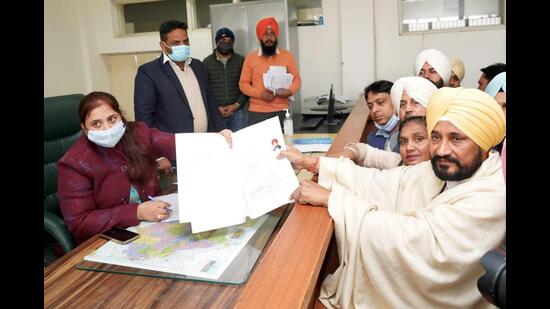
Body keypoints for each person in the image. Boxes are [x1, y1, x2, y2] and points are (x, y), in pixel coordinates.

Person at [280, 87, 506, 308]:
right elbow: (385, 182)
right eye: (435, 137)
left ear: (484, 143)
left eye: (456, 139)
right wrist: (314, 163)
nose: (442, 150)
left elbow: (418, 240)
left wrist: (333, 199)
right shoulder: (446, 168)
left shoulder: (491, 198)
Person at [57, 91, 232, 244]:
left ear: (121, 117)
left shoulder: (138, 132)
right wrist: (137, 212)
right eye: (96, 124)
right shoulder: (74, 163)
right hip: (107, 238)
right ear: (84, 128)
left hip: (154, 225)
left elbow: (173, 143)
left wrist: (215, 140)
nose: (107, 129)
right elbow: (79, 222)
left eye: (112, 119)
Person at [134, 20, 225, 134]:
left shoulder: (198, 66)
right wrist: (157, 145)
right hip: (173, 145)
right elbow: (144, 117)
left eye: (185, 41)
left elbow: (210, 99)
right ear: (163, 45)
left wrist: (221, 129)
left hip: (206, 138)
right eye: (176, 43)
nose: (183, 46)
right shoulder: (149, 73)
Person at [239, 16, 301, 127]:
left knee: (283, 144)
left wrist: (290, 91)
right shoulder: (250, 57)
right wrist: (260, 94)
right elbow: (243, 84)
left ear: (276, 36)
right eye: (265, 34)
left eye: (272, 34)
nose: (269, 38)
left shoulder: (287, 56)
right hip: (257, 113)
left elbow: (296, 79)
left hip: (282, 111)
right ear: (260, 37)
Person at [334, 116, 430, 169]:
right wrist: (348, 153)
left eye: (419, 139)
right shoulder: (398, 162)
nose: (409, 148)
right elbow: (365, 152)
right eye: (403, 142)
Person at [202, 27, 248, 132]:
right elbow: (204, 89)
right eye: (223, 40)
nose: (226, 43)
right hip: (216, 113)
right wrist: (215, 107)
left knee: (238, 143)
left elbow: (247, 86)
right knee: (219, 144)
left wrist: (237, 105)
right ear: (217, 42)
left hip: (237, 113)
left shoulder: (241, 61)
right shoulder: (207, 62)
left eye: (229, 41)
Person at [363, 80, 400, 153]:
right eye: (370, 106)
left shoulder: (408, 134)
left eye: (380, 102)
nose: (374, 110)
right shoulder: (372, 138)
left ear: (395, 101)